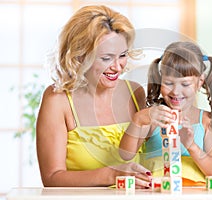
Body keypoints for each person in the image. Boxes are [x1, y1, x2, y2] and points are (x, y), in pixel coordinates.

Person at [36, 5, 152, 188]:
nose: (117, 66)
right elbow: (52, 178)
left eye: (122, 55)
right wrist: (112, 175)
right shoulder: (58, 99)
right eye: (106, 58)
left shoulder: (135, 92)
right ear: (81, 56)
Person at [119, 41, 212, 186]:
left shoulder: (206, 120)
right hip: (155, 193)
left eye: (185, 84)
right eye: (168, 83)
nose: (175, 91)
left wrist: (191, 145)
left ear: (200, 81)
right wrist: (138, 120)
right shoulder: (151, 117)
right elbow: (125, 154)